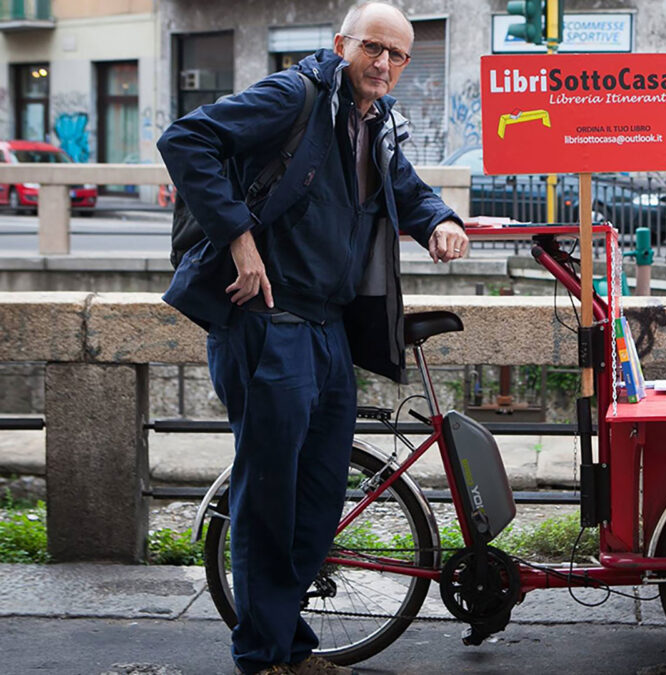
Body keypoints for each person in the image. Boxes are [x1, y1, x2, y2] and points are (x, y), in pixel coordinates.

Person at [157, 2, 469, 673]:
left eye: (396, 55)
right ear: (341, 45)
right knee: (270, 494)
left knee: (319, 496)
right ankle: (265, 654)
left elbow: (405, 190)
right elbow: (186, 140)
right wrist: (238, 237)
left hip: (328, 331)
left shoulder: (375, 123)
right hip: (267, 324)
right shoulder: (292, 96)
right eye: (372, 49)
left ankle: (289, 647)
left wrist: (440, 218)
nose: (383, 63)